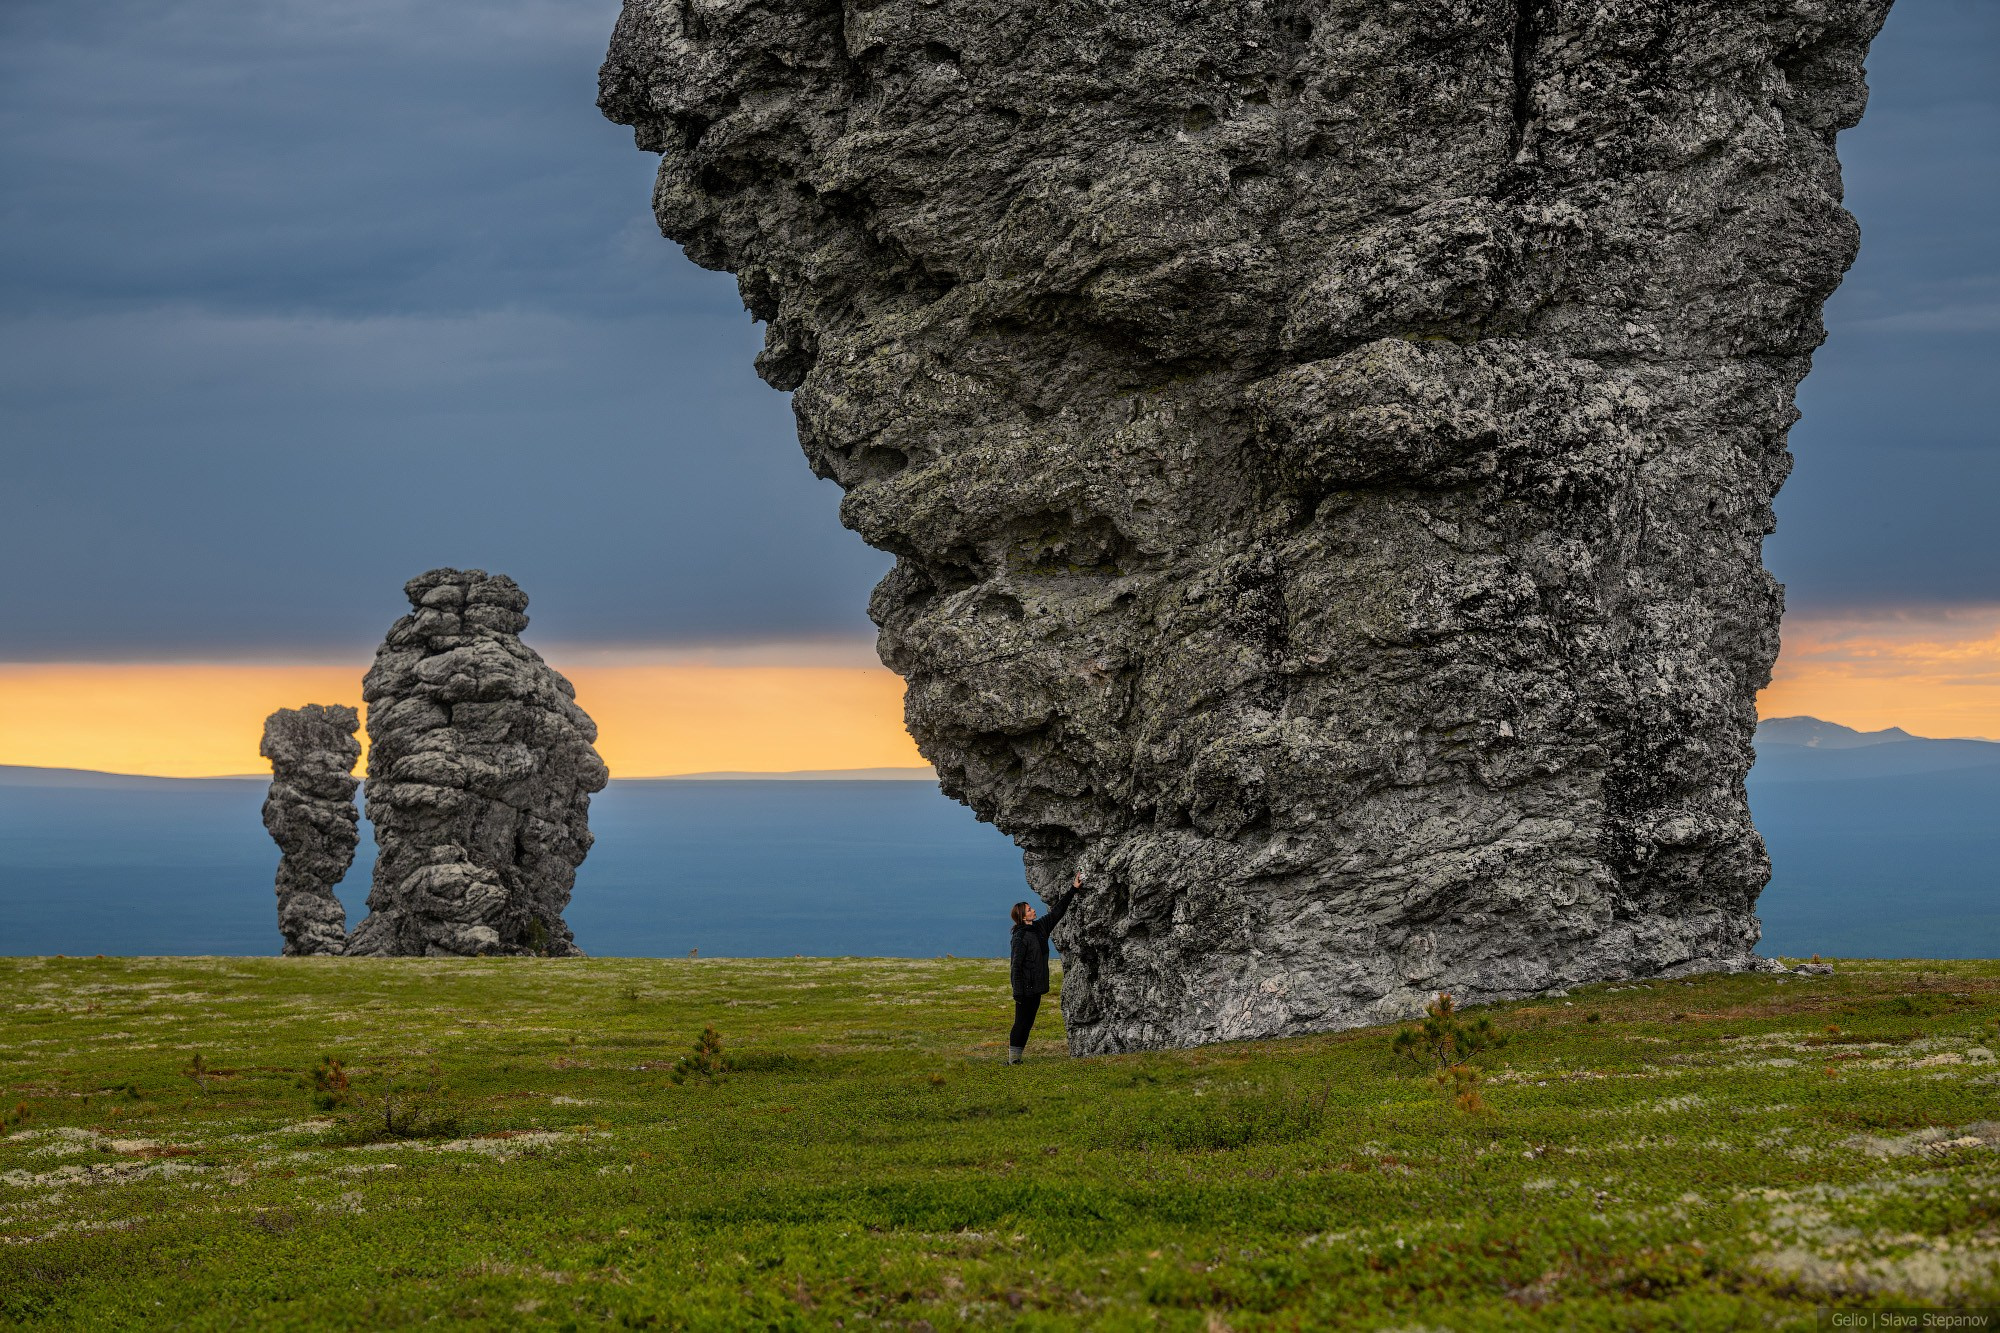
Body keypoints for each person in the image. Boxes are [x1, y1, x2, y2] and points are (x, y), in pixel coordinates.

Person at [1007, 871, 1079, 1064]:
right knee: (1021, 1023)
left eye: (1031, 908)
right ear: (1023, 917)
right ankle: (1013, 1060)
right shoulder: (1020, 937)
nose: (1033, 910)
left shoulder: (1039, 928)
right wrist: (1018, 992)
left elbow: (1057, 912)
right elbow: (1016, 966)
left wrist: (1073, 889)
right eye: (1029, 909)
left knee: (1028, 1024)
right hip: (1024, 991)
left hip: (1036, 988)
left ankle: (1017, 1059)